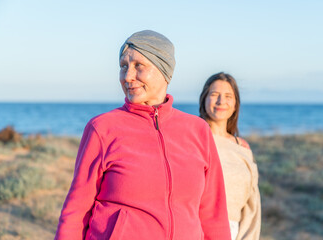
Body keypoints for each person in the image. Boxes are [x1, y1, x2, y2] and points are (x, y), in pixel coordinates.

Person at [55, 30, 231, 240]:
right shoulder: (102, 128)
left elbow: (214, 217)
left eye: (139, 66)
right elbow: (76, 213)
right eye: (123, 66)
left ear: (164, 70)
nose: (128, 77)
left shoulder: (198, 130)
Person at [199, 72, 261, 240]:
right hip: (200, 229)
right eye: (214, 95)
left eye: (228, 96)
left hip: (237, 231)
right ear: (204, 99)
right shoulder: (194, 139)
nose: (221, 102)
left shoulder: (242, 146)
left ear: (235, 104)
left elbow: (252, 202)